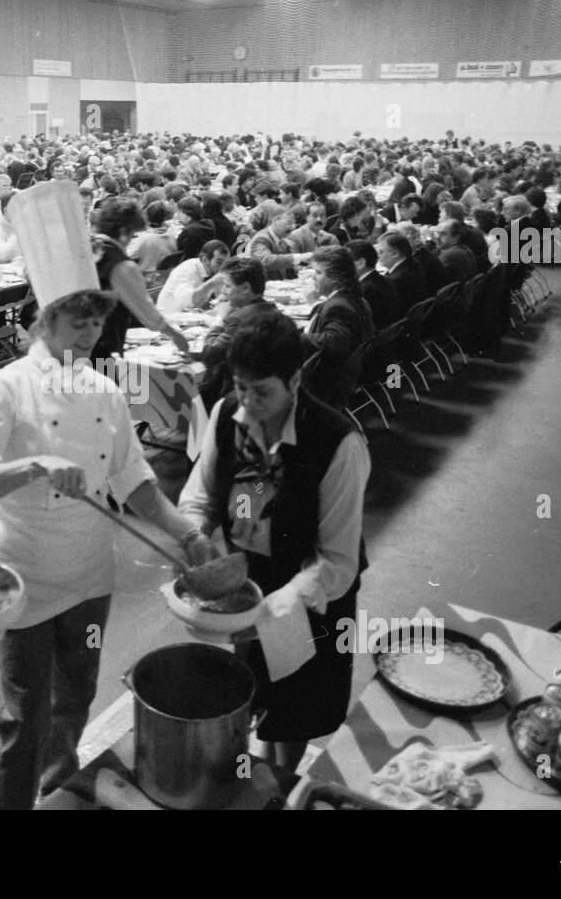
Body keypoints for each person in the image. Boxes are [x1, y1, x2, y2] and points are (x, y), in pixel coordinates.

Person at [0, 289, 212, 810]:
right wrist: (32, 466)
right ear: (45, 321)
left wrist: (188, 534)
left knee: (76, 695)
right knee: (23, 716)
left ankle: (60, 786)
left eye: (95, 323)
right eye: (78, 323)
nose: (90, 335)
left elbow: (136, 482)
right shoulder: (3, 389)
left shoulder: (106, 392)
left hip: (91, 576)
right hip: (24, 579)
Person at [179, 311, 370, 770]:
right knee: (252, 689)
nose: (247, 401)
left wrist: (270, 614)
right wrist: (194, 537)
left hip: (311, 593)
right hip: (252, 581)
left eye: (261, 390)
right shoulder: (228, 413)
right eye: (241, 386)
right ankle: (256, 770)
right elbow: (200, 492)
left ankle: (281, 780)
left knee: (296, 709)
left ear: (296, 379)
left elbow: (338, 562)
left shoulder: (337, 444)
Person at [89, 198, 190, 363]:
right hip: (103, 347)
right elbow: (147, 312)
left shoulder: (87, 247)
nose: (132, 240)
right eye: (133, 235)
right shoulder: (121, 265)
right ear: (123, 232)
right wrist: (175, 335)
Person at [197, 258, 278, 410]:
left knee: (198, 389)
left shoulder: (239, 319)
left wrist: (219, 320)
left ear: (246, 288)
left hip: (237, 397)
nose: (223, 291)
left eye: (227, 286)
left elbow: (210, 355)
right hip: (269, 390)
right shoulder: (272, 309)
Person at [301, 246, 376, 408]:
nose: (313, 278)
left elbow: (334, 341)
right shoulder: (352, 297)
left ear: (336, 278)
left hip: (324, 383)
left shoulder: (338, 306)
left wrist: (295, 336)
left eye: (318, 273)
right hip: (343, 376)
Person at [158, 238, 228, 314]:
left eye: (226, 262)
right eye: (219, 262)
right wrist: (210, 284)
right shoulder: (186, 270)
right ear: (205, 260)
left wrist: (221, 297)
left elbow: (220, 296)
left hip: (192, 316)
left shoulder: (213, 272)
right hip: (169, 317)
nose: (223, 267)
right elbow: (186, 302)